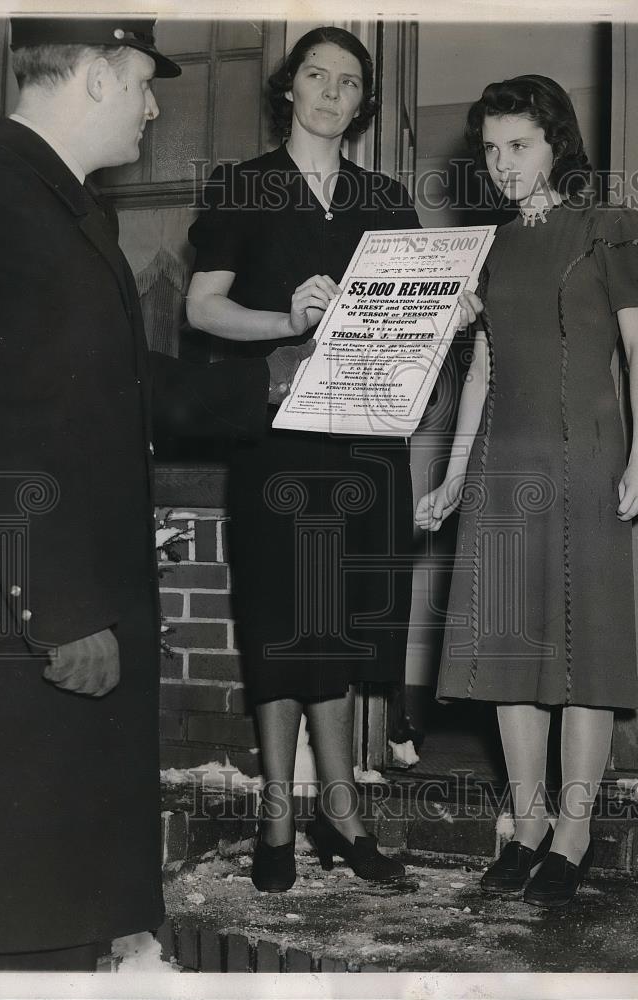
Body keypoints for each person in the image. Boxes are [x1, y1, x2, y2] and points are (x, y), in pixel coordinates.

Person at [0, 17, 312, 971]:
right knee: (16, 908)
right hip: (24, 627)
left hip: (58, 619)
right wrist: (60, 613)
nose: (153, 107)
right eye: (145, 83)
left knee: (59, 896)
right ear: (98, 75)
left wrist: (270, 379)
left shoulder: (54, 203)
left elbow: (117, 378)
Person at [185, 26, 420, 893]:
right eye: (314, 75)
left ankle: (338, 810)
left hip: (359, 441)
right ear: (289, 88)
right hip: (276, 437)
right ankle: (279, 815)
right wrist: (286, 321)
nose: (329, 91)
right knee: (281, 623)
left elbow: (410, 317)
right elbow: (204, 311)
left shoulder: (385, 198)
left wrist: (447, 311)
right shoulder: (243, 188)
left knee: (331, 624)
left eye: (347, 81)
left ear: (362, 101)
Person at [415, 74, 638, 907]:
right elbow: (483, 364)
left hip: (585, 456)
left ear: (557, 143)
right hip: (502, 467)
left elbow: (637, 351)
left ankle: (574, 830)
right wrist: (452, 474)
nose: (501, 163)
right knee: (509, 649)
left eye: (517, 145)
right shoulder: (489, 246)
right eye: (488, 149)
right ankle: (524, 824)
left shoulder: (609, 228)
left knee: (581, 647)